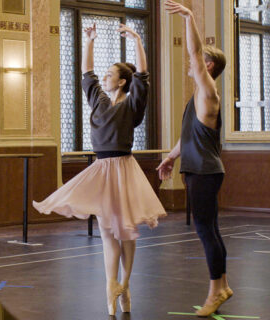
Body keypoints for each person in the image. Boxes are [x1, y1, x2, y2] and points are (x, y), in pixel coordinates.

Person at [33, 22, 166, 316]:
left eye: (110, 75)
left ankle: (126, 284)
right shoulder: (97, 99)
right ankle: (111, 285)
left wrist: (138, 39)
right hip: (102, 167)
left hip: (123, 167)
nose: (104, 78)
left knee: (126, 231)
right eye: (104, 74)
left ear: (121, 82)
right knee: (107, 230)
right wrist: (89, 40)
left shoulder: (133, 104)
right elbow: (87, 73)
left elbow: (143, 75)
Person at [157, 0, 232, 317]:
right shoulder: (197, 98)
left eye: (201, 61)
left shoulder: (208, 91)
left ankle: (215, 292)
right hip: (198, 169)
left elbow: (194, 53)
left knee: (205, 231)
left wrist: (189, 17)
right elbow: (188, 136)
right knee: (209, 229)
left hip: (204, 172)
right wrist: (171, 157)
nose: (193, 63)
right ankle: (223, 286)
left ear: (209, 66)